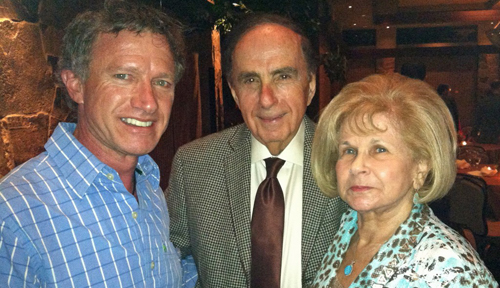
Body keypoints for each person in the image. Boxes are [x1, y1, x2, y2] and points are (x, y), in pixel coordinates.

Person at [0, 1, 197, 287]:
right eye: (123, 76)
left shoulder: (150, 188)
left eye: (162, 82)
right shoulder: (14, 213)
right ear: (76, 84)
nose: (148, 102)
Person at [167, 13, 347, 287]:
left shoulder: (347, 161)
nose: (266, 98)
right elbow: (169, 260)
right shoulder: (193, 166)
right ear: (235, 93)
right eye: (250, 80)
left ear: (310, 86)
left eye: (283, 76)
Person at [310, 73, 498, 287]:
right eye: (349, 150)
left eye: (379, 149)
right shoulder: (348, 225)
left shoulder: (446, 266)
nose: (356, 166)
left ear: (421, 165)